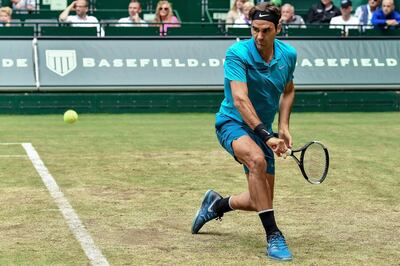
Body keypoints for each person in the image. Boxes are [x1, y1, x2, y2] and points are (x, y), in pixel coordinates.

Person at [192, 2, 297, 262]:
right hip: (233, 124)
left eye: (266, 30)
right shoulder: (237, 53)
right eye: (254, 30)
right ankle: (273, 235)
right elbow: (240, 99)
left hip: (265, 130)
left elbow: (289, 90)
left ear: (278, 28)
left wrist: (283, 126)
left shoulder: (289, 55)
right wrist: (267, 135)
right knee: (257, 160)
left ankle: (216, 204)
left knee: (258, 201)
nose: (259, 36)